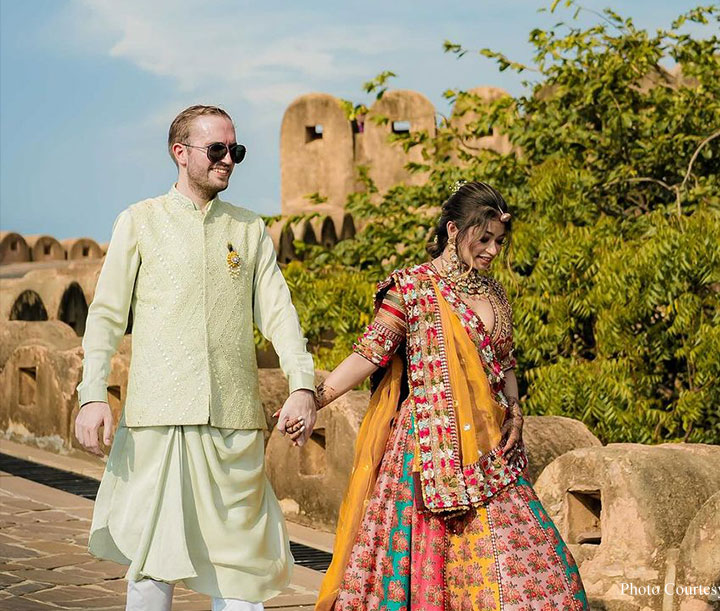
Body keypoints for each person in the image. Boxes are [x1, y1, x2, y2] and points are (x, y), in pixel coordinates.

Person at [292, 181, 589, 611]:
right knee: (424, 567)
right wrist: (312, 399)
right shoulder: (413, 288)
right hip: (426, 452)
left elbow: (505, 361)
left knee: (545, 576)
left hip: (493, 450)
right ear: (453, 230)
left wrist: (517, 412)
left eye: (499, 242)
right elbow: (369, 354)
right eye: (483, 239)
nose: (492, 251)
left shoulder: (494, 293)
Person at [74, 104, 318, 611]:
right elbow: (106, 315)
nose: (228, 159)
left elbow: (279, 314)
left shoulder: (250, 230)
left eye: (236, 150)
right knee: (151, 565)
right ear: (179, 153)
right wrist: (91, 394)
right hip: (157, 421)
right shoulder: (140, 222)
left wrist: (301, 384)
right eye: (217, 150)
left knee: (242, 570)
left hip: (233, 421)